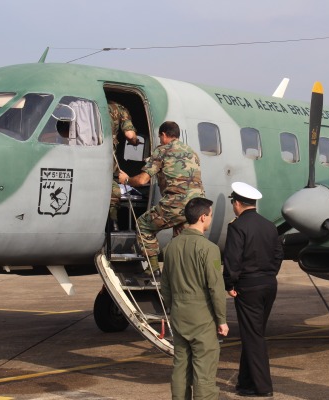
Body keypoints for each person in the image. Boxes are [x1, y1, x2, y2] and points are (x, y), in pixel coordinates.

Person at [161, 197, 228, 400]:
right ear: (202, 217)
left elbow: (165, 285)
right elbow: (216, 288)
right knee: (204, 369)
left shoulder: (171, 247)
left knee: (180, 366)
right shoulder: (209, 249)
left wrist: (173, 308)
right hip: (202, 316)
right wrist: (222, 320)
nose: (210, 219)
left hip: (179, 314)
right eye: (210, 216)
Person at [118, 121, 204, 277]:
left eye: (160, 136)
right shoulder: (192, 152)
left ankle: (153, 269)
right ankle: (179, 276)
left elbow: (142, 180)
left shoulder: (162, 151)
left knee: (143, 226)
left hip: (176, 202)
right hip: (196, 205)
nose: (160, 139)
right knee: (180, 243)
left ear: (164, 135)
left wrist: (126, 179)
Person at [223, 182, 283, 397]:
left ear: (237, 203)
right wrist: (269, 275)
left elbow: (232, 260)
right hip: (268, 284)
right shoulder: (269, 225)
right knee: (253, 333)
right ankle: (245, 382)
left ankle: (262, 387)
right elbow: (278, 255)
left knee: (253, 336)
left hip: (248, 287)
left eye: (233, 202)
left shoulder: (237, 227)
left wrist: (229, 284)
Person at [109, 100, 139, 232]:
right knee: (114, 189)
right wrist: (135, 141)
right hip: (105, 159)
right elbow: (129, 134)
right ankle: (113, 224)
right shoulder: (120, 109)